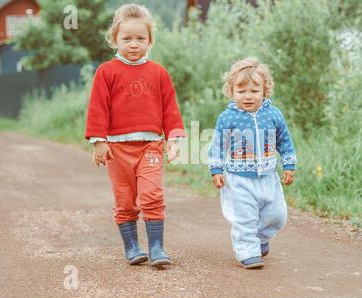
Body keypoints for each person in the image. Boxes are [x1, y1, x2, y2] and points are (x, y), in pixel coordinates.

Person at [85, 4, 186, 266]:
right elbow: (97, 108)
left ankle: (157, 248)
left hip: (150, 146)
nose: (133, 44)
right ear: (114, 39)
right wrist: (98, 141)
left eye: (140, 38)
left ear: (150, 40)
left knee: (152, 194)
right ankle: (132, 247)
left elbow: (170, 110)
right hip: (117, 151)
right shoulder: (106, 72)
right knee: (125, 200)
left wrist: (174, 139)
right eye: (126, 38)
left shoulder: (159, 73)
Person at [208, 57, 297, 269]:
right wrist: (216, 169)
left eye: (254, 91)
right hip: (239, 180)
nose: (248, 96)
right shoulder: (227, 118)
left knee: (277, 215)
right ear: (231, 91)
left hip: (268, 177)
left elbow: (284, 141)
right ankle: (247, 251)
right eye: (241, 91)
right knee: (245, 217)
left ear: (265, 91)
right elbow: (218, 146)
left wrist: (289, 164)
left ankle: (260, 238)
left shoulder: (273, 115)